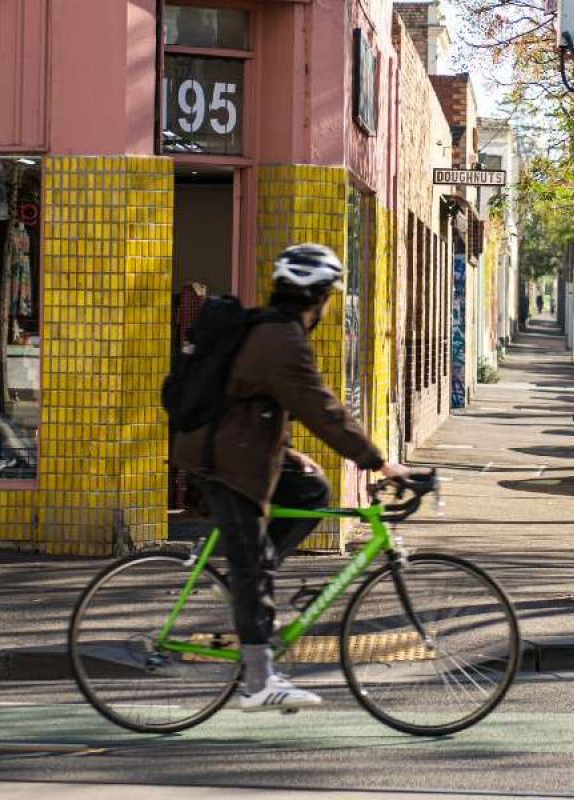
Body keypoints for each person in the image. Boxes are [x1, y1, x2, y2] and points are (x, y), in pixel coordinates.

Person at [173, 243, 411, 713]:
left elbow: (250, 405)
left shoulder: (276, 332)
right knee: (254, 560)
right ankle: (259, 680)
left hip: (239, 448)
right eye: (328, 298)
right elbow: (322, 410)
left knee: (311, 489)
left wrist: (289, 453)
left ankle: (247, 572)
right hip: (221, 461)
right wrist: (378, 462)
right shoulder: (280, 341)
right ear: (317, 298)